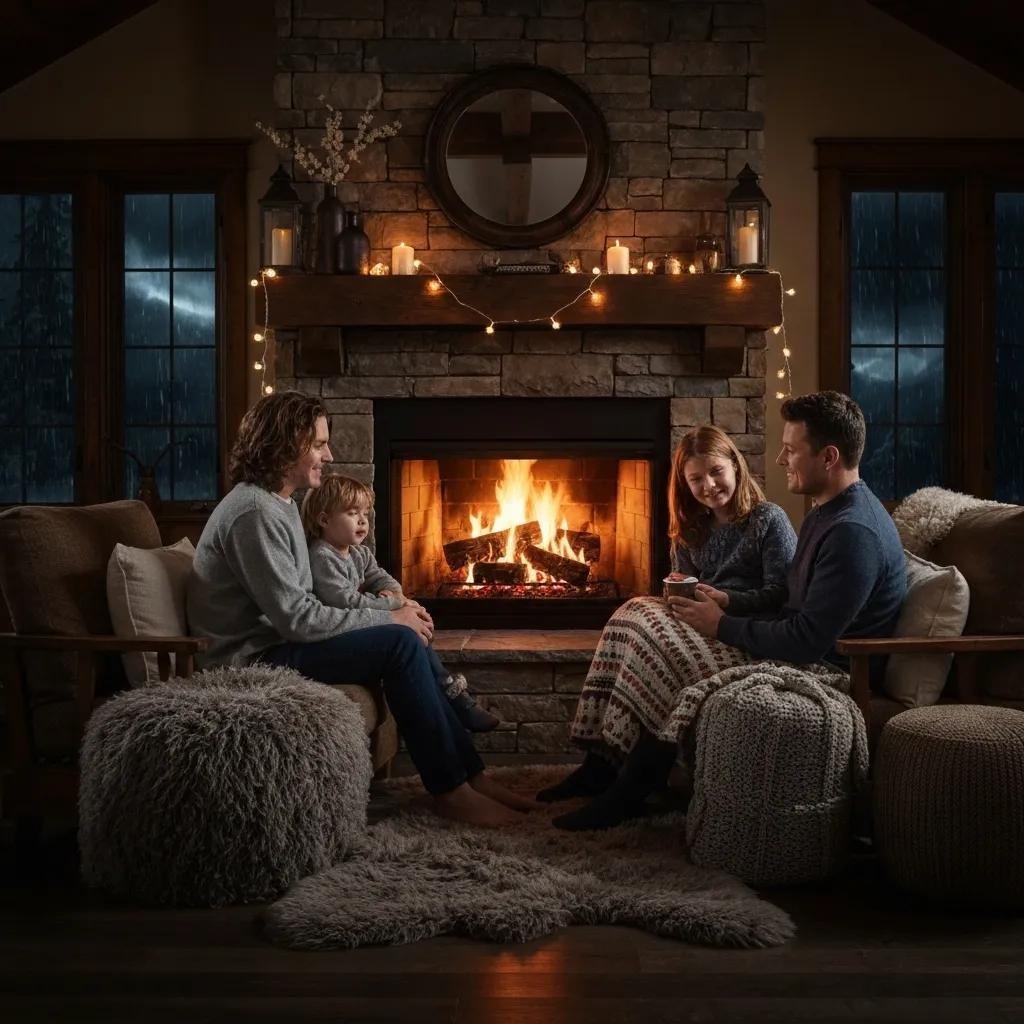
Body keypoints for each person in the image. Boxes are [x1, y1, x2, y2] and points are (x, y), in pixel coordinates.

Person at [543, 392, 905, 831]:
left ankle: (631, 788)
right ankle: (601, 766)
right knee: (634, 615)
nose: (780, 458)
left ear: (828, 457)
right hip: (786, 639)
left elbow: (809, 639)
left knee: (670, 656)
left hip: (822, 669)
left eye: (791, 450)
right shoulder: (828, 512)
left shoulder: (853, 532)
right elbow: (793, 603)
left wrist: (724, 623)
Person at [187, 390, 534, 827]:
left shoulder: (280, 504)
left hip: (276, 643)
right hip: (248, 661)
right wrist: (389, 617)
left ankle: (471, 776)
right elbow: (296, 617)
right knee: (399, 643)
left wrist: (393, 608)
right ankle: (451, 790)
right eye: (317, 444)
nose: (328, 455)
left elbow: (306, 603)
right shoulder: (253, 513)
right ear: (284, 443)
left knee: (401, 636)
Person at [299, 473, 500, 732]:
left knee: (414, 629)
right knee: (408, 632)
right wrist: (396, 607)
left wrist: (400, 600)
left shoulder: (359, 552)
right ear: (324, 519)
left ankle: (452, 698)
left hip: (360, 622)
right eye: (352, 513)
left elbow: (385, 580)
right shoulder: (322, 558)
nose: (362, 520)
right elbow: (345, 602)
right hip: (338, 634)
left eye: (365, 513)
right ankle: (456, 699)